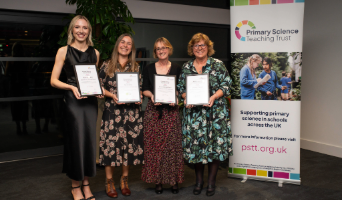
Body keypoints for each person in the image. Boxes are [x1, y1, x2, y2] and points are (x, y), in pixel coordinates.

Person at [50, 15, 101, 200]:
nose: (81, 31)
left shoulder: (95, 53)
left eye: (85, 28)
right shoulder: (63, 51)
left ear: (88, 31)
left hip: (90, 103)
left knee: (88, 143)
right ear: (72, 30)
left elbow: (93, 79)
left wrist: (99, 90)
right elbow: (53, 80)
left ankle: (86, 184)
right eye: (77, 27)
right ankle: (75, 186)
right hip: (73, 101)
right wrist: (71, 86)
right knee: (75, 143)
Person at [177, 33, 232, 196]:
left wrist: (214, 96)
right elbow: (181, 88)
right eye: (196, 46)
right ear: (191, 49)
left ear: (208, 47)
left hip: (215, 114)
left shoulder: (218, 65)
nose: (199, 48)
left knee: (214, 148)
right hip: (194, 116)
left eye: (202, 45)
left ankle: (211, 182)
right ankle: (199, 181)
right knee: (197, 148)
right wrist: (187, 97)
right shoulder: (187, 67)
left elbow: (227, 85)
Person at [98, 33, 144, 198]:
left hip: (132, 114)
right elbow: (98, 87)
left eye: (129, 43)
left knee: (128, 148)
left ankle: (124, 180)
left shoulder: (136, 67)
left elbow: (139, 88)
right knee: (111, 147)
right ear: (117, 45)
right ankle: (109, 181)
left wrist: (139, 98)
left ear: (132, 47)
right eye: (123, 42)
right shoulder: (107, 65)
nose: (125, 45)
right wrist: (112, 96)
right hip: (112, 113)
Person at [141, 37, 184, 194]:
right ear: (155, 52)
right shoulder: (149, 68)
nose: (161, 50)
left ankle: (173, 181)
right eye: (158, 48)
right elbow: (144, 88)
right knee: (154, 148)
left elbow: (179, 89)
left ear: (169, 49)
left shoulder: (177, 68)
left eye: (164, 47)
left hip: (171, 113)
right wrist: (152, 96)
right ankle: (157, 181)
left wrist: (176, 99)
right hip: (154, 113)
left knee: (172, 148)